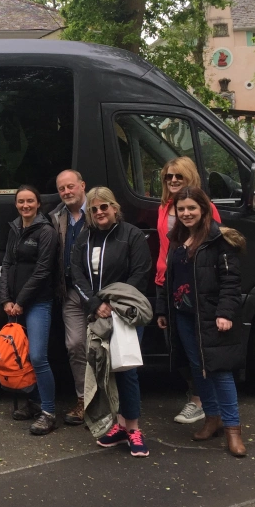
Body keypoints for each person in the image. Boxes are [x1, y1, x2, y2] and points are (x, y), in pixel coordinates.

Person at [156, 187, 247, 457]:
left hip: (210, 317)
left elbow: (231, 283)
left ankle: (233, 430)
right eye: (181, 209)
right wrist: (163, 309)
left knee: (219, 370)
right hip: (182, 317)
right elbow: (167, 279)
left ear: (203, 209)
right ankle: (212, 418)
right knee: (198, 369)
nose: (186, 213)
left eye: (191, 208)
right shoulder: (176, 241)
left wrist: (225, 313)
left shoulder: (220, 240)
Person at [71, 186, 152, 457]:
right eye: (93, 209)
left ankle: (134, 429)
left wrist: (113, 303)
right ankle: (118, 426)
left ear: (114, 208)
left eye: (104, 207)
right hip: (98, 314)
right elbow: (77, 273)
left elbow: (140, 273)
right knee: (106, 371)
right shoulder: (85, 237)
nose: (99, 212)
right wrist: (96, 304)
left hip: (125, 314)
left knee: (126, 369)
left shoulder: (132, 235)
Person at [155, 157, 221, 425]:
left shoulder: (206, 208)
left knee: (198, 349)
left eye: (178, 177)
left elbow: (216, 247)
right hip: (166, 281)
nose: (172, 181)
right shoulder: (164, 207)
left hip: (195, 286)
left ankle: (200, 401)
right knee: (176, 346)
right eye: (168, 177)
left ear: (190, 177)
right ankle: (200, 396)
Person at [0, 185, 59, 435]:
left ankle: (48, 412)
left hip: (38, 302)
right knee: (19, 356)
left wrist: (21, 300)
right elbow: (6, 263)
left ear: (38, 203)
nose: (25, 205)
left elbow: (43, 270)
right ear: (16, 204)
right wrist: (5, 300)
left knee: (37, 357)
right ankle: (33, 403)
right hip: (14, 303)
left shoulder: (46, 231)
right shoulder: (15, 228)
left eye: (30, 201)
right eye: (21, 202)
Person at [49, 169, 88, 425]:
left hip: (99, 292)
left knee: (105, 348)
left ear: (82, 186)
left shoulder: (99, 211)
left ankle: (108, 403)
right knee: (75, 345)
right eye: (62, 188)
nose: (66, 192)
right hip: (71, 292)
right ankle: (84, 399)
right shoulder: (55, 217)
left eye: (70, 186)